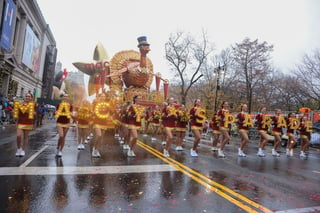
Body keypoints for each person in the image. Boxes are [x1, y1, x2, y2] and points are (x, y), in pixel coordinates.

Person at [91, 93, 110, 157]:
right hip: (97, 121)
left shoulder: (107, 105)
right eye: (102, 96)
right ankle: (94, 148)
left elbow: (110, 112)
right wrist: (93, 113)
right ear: (99, 97)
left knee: (101, 138)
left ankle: (97, 150)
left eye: (104, 96)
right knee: (98, 135)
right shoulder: (96, 103)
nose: (103, 97)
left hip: (104, 121)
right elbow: (92, 111)